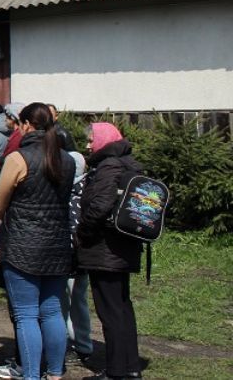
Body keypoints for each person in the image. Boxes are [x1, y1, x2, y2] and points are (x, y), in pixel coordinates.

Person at [0, 103, 75, 380]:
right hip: (58, 243)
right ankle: (55, 372)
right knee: (52, 311)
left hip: (22, 244)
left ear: (26, 124)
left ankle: (30, 375)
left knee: (26, 314)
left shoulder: (18, 158)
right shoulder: (67, 159)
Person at [76, 123, 144, 380]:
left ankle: (116, 371)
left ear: (104, 141)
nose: (88, 145)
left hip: (105, 248)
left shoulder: (108, 166)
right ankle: (131, 366)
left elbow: (100, 206)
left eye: (91, 140)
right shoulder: (129, 164)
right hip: (125, 245)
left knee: (110, 311)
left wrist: (83, 232)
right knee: (123, 307)